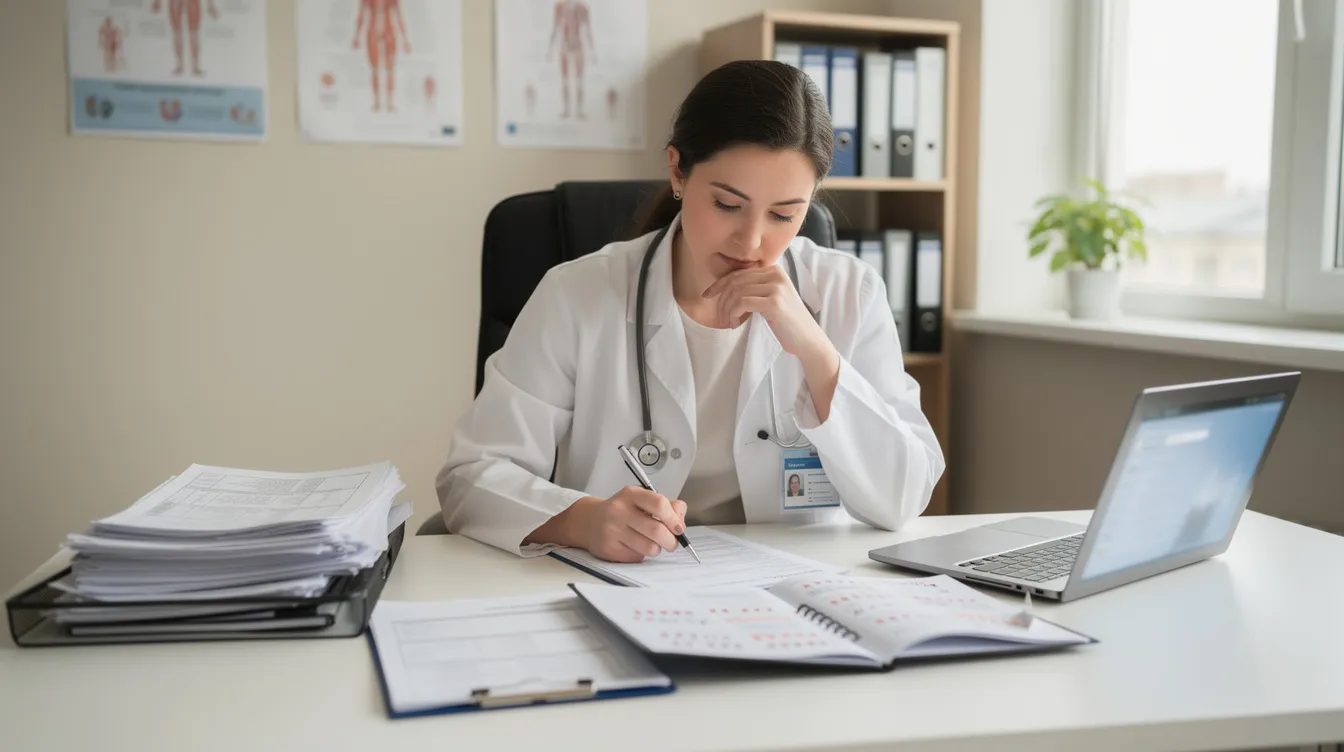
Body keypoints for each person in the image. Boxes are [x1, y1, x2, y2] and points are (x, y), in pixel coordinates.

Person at [436, 60, 944, 563]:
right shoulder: (577, 295)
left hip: (791, 595)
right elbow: (471, 476)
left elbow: (904, 496)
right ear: (678, 171)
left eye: (784, 214)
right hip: (617, 587)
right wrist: (582, 519)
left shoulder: (847, 292)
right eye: (727, 204)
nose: (751, 241)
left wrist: (814, 350)